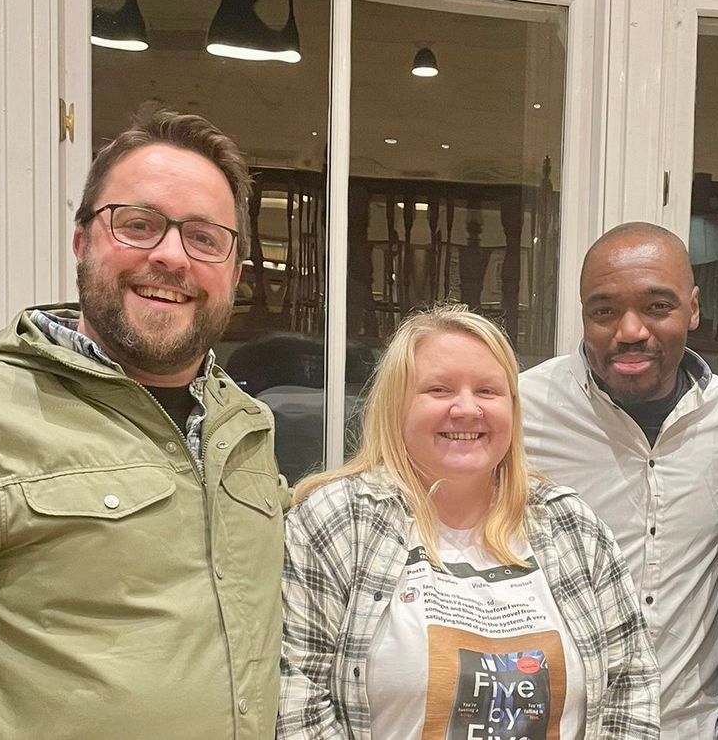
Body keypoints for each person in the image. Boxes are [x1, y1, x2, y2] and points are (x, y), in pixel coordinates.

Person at [0, 109, 287, 740]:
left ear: (233, 272)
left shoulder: (247, 427)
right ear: (81, 242)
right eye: (139, 225)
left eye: (204, 238)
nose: (171, 256)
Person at [278, 304, 660, 739]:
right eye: (439, 390)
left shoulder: (573, 527)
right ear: (396, 406)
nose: (467, 409)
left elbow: (632, 685)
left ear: (513, 410)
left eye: (487, 391)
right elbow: (298, 702)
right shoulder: (335, 522)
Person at [519, 222, 718, 740]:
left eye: (657, 306)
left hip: (691, 729)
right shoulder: (522, 410)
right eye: (604, 311)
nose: (630, 330)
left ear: (694, 309)